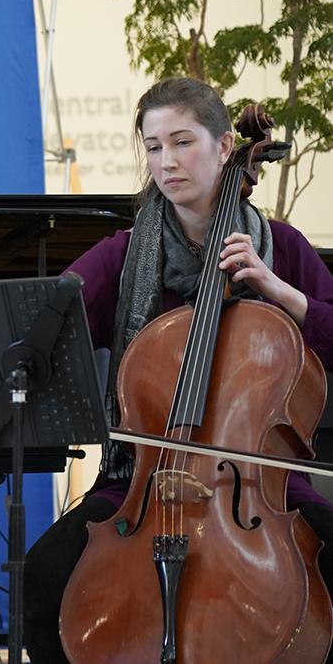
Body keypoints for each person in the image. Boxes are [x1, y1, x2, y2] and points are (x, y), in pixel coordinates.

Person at [23, 76, 333, 663]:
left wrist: (278, 291)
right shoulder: (123, 253)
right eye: (154, 146)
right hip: (141, 483)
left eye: (183, 142)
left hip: (257, 485)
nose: (167, 162)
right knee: (43, 577)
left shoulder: (283, 248)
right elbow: (50, 330)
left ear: (224, 148)